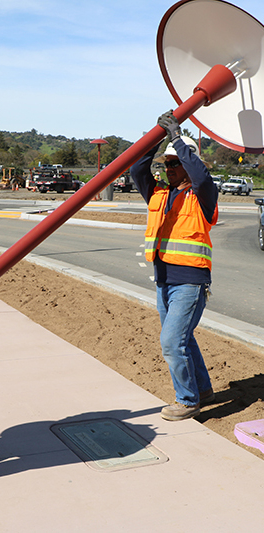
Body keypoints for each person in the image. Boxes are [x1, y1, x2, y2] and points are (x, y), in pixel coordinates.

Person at [130, 110, 218, 422]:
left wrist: (177, 140)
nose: (167, 169)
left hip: (191, 282)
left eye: (173, 163)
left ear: (187, 162)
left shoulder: (203, 195)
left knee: (171, 342)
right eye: (165, 164)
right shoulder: (158, 194)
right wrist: (154, 140)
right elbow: (136, 170)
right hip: (164, 281)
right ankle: (204, 389)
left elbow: (202, 176)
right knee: (183, 338)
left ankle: (188, 400)